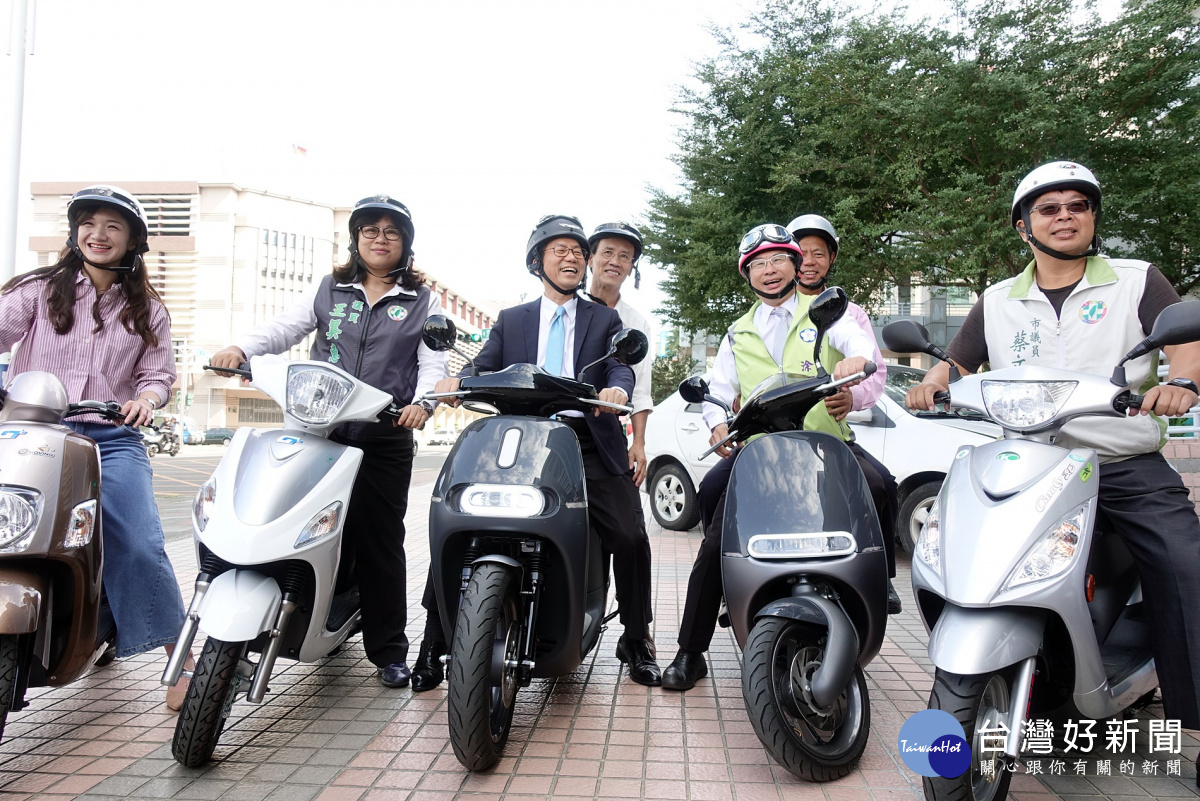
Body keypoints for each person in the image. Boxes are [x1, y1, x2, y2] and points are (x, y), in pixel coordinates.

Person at [906, 161, 1200, 740]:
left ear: (1092, 217)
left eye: (1077, 205)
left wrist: (1183, 383)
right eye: (1048, 208)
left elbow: (1186, 349)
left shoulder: (1136, 279)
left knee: (1184, 566)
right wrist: (931, 383)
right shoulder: (997, 299)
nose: (1065, 215)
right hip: (1029, 464)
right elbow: (958, 362)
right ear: (1023, 227)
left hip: (1119, 462)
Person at [211, 194, 447, 688]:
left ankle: (388, 651)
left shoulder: (423, 301)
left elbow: (433, 365)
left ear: (405, 245)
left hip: (384, 435)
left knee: (379, 539)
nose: (380, 239)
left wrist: (422, 404)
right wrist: (241, 348)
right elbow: (285, 330)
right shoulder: (330, 289)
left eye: (391, 232)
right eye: (370, 231)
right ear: (356, 240)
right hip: (319, 430)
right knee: (289, 522)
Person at [417, 214, 662, 688]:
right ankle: (434, 639)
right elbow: (484, 366)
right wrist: (456, 381)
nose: (571, 258)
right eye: (559, 251)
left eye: (577, 252)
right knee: (460, 522)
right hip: (518, 439)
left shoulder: (604, 318)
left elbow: (620, 370)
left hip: (586, 439)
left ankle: (636, 637)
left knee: (630, 537)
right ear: (537, 262)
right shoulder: (513, 320)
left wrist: (616, 391)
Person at [661, 224, 879, 691]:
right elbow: (717, 393)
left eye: (778, 260)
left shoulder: (823, 312)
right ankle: (690, 650)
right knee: (714, 517)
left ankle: (880, 586)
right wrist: (718, 424)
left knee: (879, 485)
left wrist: (853, 365)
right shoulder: (737, 333)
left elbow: (858, 346)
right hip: (760, 451)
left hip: (823, 446)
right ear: (748, 275)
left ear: (795, 265)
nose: (769, 270)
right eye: (757, 264)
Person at [0, 185, 193, 709]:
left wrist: (146, 400)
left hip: (110, 438)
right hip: (34, 431)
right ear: (74, 232)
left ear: (133, 241)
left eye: (113, 226)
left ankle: (179, 659)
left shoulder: (147, 308)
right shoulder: (39, 291)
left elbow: (157, 375)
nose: (98, 234)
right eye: (89, 223)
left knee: (137, 540)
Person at [787, 214, 902, 613]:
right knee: (717, 490)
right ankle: (726, 583)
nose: (809, 261)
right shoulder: (771, 308)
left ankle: (882, 577)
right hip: (771, 439)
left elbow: (874, 368)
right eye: (802, 252)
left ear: (831, 260)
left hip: (829, 439)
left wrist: (852, 399)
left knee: (881, 485)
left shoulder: (845, 312)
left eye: (820, 253)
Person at [583, 221, 656, 650]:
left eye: (624, 256)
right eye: (607, 252)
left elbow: (640, 391)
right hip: (545, 437)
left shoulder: (635, 322)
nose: (615, 262)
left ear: (632, 268)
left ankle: (635, 634)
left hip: (603, 439)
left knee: (631, 534)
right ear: (589, 257)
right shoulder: (561, 306)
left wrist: (638, 444)